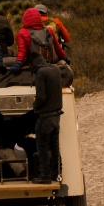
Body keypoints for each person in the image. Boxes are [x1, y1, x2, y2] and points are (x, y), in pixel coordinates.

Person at [32, 54, 63, 184]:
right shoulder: (55, 69)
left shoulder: (40, 72)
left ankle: (45, 176)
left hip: (45, 117)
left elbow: (41, 97)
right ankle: (55, 173)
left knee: (42, 148)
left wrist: (34, 106)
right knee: (55, 147)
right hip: (56, 116)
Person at [14, 7, 69, 73]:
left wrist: (18, 62)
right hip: (50, 63)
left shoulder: (22, 33)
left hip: (34, 64)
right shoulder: (49, 30)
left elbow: (22, 51)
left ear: (24, 19)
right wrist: (65, 58)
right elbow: (58, 48)